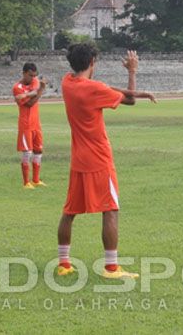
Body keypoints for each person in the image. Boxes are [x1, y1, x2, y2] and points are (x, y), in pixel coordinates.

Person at [56, 46, 157, 279]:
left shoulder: (67, 82)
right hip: (99, 159)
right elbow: (129, 100)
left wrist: (141, 92)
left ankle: (64, 264)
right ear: (93, 61)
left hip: (78, 159)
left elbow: (105, 88)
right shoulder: (94, 88)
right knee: (110, 209)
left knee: (69, 211)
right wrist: (132, 72)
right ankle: (111, 267)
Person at [13, 62, 49, 188]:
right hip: (26, 124)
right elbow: (30, 104)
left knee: (38, 150)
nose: (33, 78)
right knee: (27, 152)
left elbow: (34, 92)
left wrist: (33, 92)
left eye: (34, 75)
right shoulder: (17, 87)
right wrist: (40, 90)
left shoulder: (34, 82)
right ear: (23, 73)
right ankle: (26, 182)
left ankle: (36, 180)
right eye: (30, 75)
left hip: (36, 124)